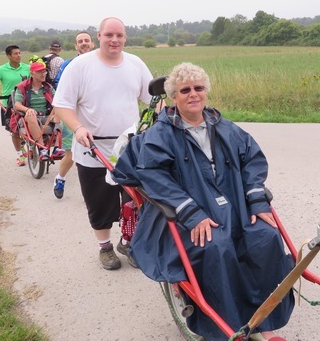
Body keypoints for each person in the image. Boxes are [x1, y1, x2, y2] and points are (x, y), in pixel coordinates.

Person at [111, 62, 294, 341]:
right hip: (185, 212)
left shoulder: (226, 128)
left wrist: (257, 201)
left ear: (206, 91)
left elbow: (253, 161)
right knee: (215, 247)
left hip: (233, 205)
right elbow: (154, 176)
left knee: (265, 238)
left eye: (198, 88)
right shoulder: (160, 135)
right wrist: (192, 213)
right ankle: (223, 326)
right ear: (174, 96)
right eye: (185, 90)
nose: (193, 94)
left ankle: (263, 320)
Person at [53, 17, 153, 270]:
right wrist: (77, 127)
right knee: (99, 202)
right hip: (92, 149)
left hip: (129, 148)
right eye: (109, 35)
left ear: (125, 37)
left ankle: (129, 242)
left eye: (119, 35)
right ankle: (105, 247)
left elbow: (153, 100)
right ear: (99, 36)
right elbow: (62, 104)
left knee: (135, 201)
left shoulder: (135, 64)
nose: (114, 40)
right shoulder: (80, 66)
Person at [52, 31, 94, 199]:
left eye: (87, 40)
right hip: (73, 115)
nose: (84, 43)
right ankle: (60, 178)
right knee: (72, 153)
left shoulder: (102, 64)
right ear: (76, 46)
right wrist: (57, 116)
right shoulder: (68, 65)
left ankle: (95, 190)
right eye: (80, 41)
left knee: (99, 153)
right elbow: (60, 93)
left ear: (92, 44)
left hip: (94, 115)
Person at [0, 45, 31, 166]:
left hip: (25, 103)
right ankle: (20, 156)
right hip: (9, 104)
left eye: (20, 53)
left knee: (28, 128)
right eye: (15, 54)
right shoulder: (1, 69)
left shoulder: (27, 68)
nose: (18, 55)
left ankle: (25, 145)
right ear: (9, 56)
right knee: (14, 131)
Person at [12, 61, 65, 161]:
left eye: (44, 71)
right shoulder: (23, 87)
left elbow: (56, 102)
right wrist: (28, 109)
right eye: (40, 71)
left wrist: (57, 113)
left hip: (47, 116)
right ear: (32, 73)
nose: (44, 74)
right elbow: (17, 105)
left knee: (59, 114)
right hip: (28, 117)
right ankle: (42, 149)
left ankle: (57, 148)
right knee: (31, 115)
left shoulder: (48, 87)